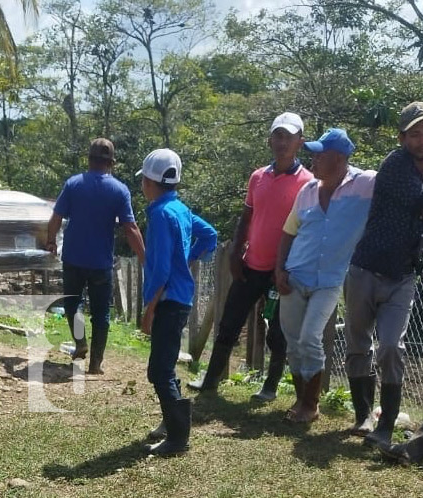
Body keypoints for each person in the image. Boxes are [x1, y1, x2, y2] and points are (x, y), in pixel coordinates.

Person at [190, 113, 313, 399]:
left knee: (278, 333)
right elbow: (246, 217)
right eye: (278, 136)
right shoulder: (258, 176)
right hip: (251, 264)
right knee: (229, 323)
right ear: (270, 139)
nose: (282, 142)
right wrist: (235, 253)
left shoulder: (307, 183)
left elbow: (306, 229)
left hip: (283, 270)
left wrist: (286, 267)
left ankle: (270, 387)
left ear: (300, 142)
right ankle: (211, 380)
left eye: (289, 137)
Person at [275, 129, 376, 423]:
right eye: (314, 154)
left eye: (321, 154)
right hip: (295, 275)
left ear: (341, 158)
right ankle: (300, 401)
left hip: (330, 280)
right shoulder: (306, 191)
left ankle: (311, 403)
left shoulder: (364, 184)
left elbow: (398, 183)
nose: (314, 159)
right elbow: (288, 232)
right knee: (293, 341)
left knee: (310, 338)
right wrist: (279, 268)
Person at [344, 102, 423, 446]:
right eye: (416, 133)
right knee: (358, 343)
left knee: (391, 345)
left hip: (403, 276)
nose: (422, 139)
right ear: (402, 137)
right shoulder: (395, 165)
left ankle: (385, 425)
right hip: (366, 268)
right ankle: (363, 415)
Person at [137, 148, 217, 456]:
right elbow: (209, 236)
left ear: (148, 181)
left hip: (168, 300)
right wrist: (190, 257)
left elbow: (160, 270)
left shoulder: (159, 214)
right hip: (181, 299)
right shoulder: (180, 209)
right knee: (164, 365)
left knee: (160, 370)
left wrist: (149, 310)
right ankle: (171, 423)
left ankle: (178, 438)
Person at [46, 138, 145, 375]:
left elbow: (56, 218)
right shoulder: (120, 190)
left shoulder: (73, 184)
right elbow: (130, 228)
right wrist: (145, 257)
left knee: (73, 303)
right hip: (101, 262)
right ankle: (96, 364)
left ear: (89, 159)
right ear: (111, 162)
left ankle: (80, 342)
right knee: (101, 313)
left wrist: (50, 241)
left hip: (73, 258)